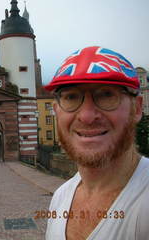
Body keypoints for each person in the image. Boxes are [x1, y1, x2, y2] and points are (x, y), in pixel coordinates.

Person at [44, 46, 149, 240]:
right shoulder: (59, 198)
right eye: (71, 97)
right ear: (56, 110)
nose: (86, 116)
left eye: (106, 94)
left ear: (137, 108)